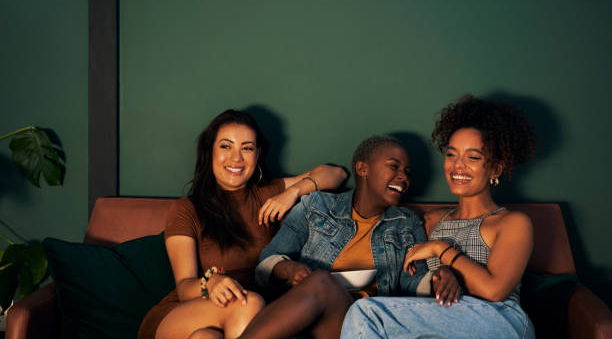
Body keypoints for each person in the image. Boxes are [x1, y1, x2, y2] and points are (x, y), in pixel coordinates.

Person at [138, 109, 347, 339]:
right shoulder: (187, 209)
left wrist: (294, 192)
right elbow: (185, 288)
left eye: (247, 148)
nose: (236, 158)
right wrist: (211, 281)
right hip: (182, 315)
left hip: (241, 317)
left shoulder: (268, 193)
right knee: (247, 303)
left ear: (257, 154)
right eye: (226, 146)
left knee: (205, 337)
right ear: (210, 151)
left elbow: (336, 174)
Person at [341, 95, 537, 339]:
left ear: (495, 169)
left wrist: (439, 249)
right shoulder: (432, 221)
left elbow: (493, 291)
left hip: (500, 321)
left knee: (368, 314)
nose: (458, 166)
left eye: (473, 157)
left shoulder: (512, 223)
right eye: (452, 154)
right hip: (444, 322)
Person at [238, 136, 460, 339]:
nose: (403, 177)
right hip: (307, 323)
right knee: (319, 282)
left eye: (407, 172)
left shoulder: (406, 223)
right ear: (363, 168)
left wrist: (440, 277)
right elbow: (266, 263)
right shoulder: (315, 206)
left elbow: (413, 281)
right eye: (394, 166)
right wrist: (290, 269)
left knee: (321, 281)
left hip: (364, 327)